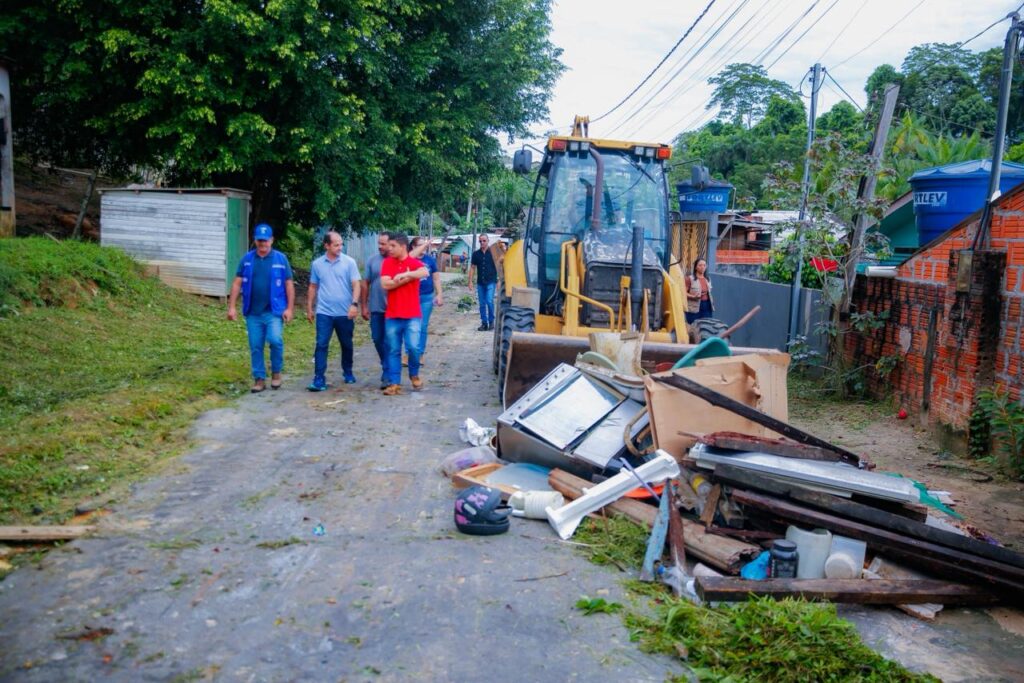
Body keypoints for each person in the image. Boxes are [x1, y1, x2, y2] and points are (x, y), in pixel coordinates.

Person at [227, 223, 295, 393]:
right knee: (256, 345)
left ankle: (276, 373)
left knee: (275, 340)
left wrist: (289, 308)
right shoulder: (247, 259)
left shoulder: (281, 259)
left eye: (265, 241)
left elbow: (288, 284)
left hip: (274, 311)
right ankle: (259, 379)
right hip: (253, 312)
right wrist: (232, 307)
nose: (262, 244)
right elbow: (237, 282)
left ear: (272, 240)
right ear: (255, 241)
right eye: (259, 241)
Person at [306, 231, 362, 391]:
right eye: (336, 244)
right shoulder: (317, 264)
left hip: (344, 312)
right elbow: (313, 286)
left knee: (346, 344)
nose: (340, 247)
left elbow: (356, 284)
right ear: (326, 245)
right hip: (324, 312)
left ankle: (348, 371)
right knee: (321, 344)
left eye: (341, 244)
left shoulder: (349, 262)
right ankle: (318, 378)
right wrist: (309, 308)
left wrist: (354, 304)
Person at [380, 233, 429, 395]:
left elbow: (424, 272)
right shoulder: (387, 263)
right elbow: (385, 284)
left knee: (414, 347)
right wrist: (403, 279)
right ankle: (394, 383)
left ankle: (414, 374)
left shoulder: (413, 263)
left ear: (402, 247)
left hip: (412, 315)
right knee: (393, 350)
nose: (389, 248)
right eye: (389, 245)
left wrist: (407, 274)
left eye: (393, 246)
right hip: (392, 315)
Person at [361, 232, 390, 389]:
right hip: (376, 307)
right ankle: (386, 364)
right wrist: (364, 305)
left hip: (393, 309)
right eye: (379, 243)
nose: (380, 246)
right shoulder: (372, 261)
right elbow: (365, 283)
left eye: (383, 243)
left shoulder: (396, 260)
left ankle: (387, 372)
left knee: (389, 341)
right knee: (377, 338)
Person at [409, 236, 443, 357]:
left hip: (427, 297)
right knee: (411, 326)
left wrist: (439, 294)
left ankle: (419, 354)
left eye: (425, 245)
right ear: (413, 247)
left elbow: (436, 278)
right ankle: (409, 353)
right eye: (420, 245)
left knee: (422, 326)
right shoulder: (408, 258)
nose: (423, 247)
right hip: (410, 297)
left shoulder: (430, 260)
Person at [468, 234, 497, 331]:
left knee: (489, 300)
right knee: (481, 303)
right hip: (480, 282)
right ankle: (484, 323)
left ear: (488, 241)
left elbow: (500, 265)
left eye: (484, 240)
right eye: (480, 241)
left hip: (491, 282)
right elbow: (472, 268)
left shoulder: (493, 253)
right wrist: (470, 282)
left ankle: (491, 321)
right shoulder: (476, 254)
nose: (482, 243)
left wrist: (500, 280)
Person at [684, 258, 715, 324]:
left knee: (707, 325)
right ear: (695, 267)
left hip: (707, 306)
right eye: (700, 265)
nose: (702, 267)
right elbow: (683, 293)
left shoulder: (708, 279)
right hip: (694, 307)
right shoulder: (690, 279)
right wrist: (693, 296)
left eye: (704, 265)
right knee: (693, 326)